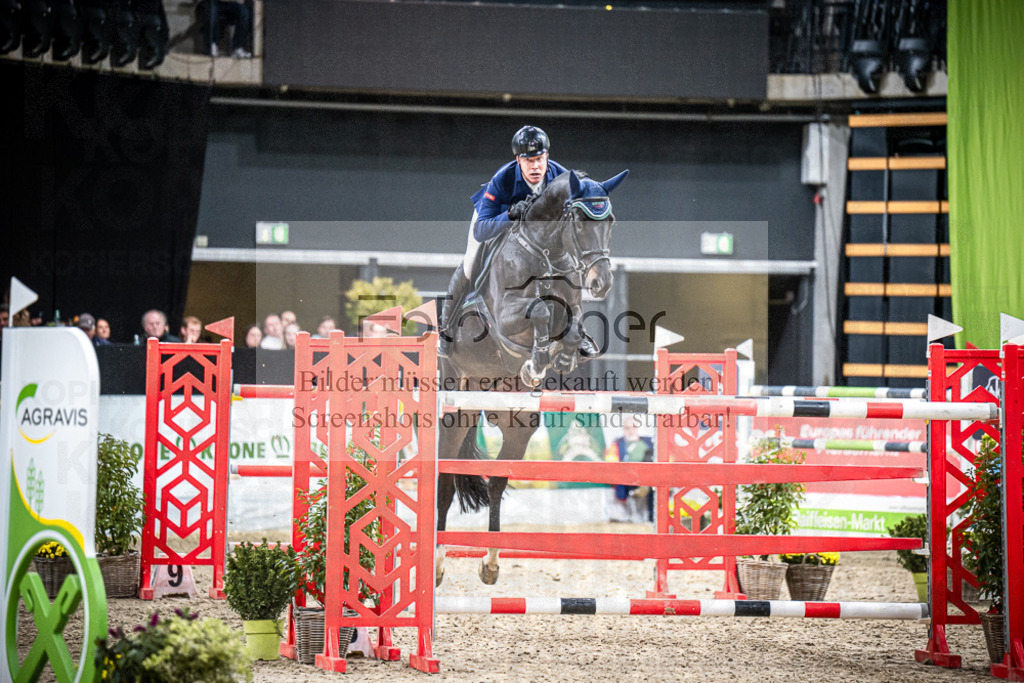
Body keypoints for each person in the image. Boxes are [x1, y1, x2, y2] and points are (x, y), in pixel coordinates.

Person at [438, 125, 568, 357]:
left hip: (536, 235)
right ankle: (446, 330)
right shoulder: (503, 178)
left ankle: (576, 330)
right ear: (518, 160)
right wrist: (508, 215)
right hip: (496, 221)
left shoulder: (561, 177)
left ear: (547, 156)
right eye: (529, 161)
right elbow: (481, 230)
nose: (536, 166)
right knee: (469, 265)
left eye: (540, 159)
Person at [608, 420, 654, 523]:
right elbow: (611, 461)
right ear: (623, 429)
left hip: (647, 475)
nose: (631, 431)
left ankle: (652, 517)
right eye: (627, 428)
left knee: (654, 485)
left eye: (633, 428)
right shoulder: (618, 443)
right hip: (627, 476)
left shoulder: (648, 442)